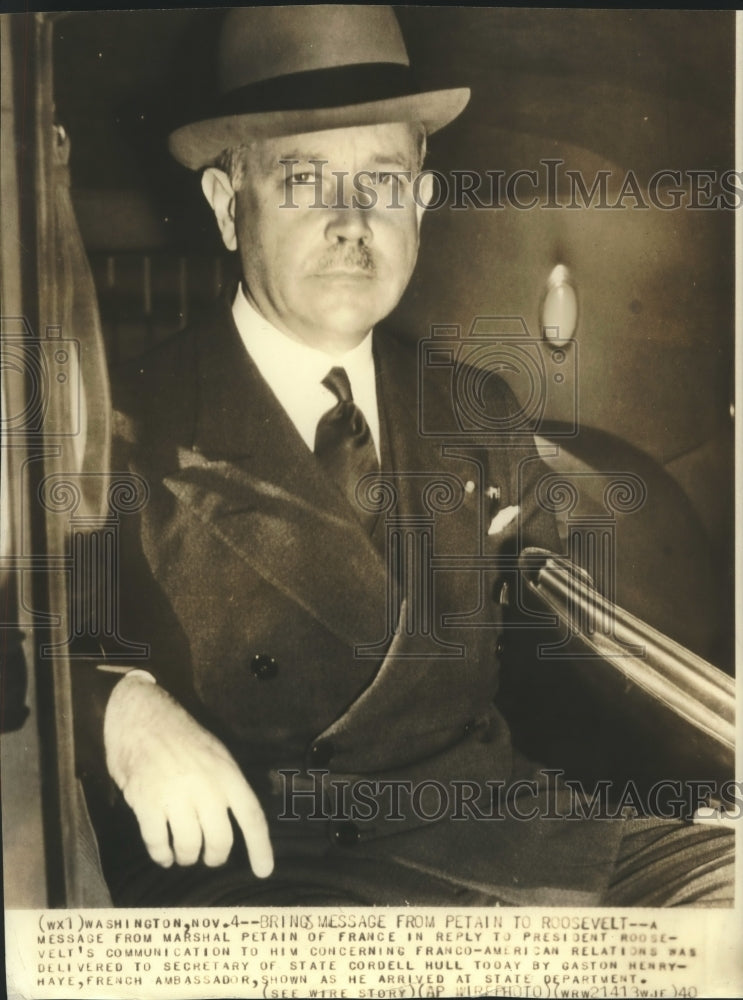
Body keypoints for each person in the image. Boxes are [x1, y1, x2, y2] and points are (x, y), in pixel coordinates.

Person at [74, 4, 733, 907]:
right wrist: (114, 709)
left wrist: (698, 771)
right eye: (305, 180)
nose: (352, 221)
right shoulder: (112, 428)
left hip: (507, 836)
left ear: (420, 203)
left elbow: (569, 646)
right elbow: (17, 647)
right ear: (230, 208)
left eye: (382, 181)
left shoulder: (475, 408)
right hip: (279, 872)